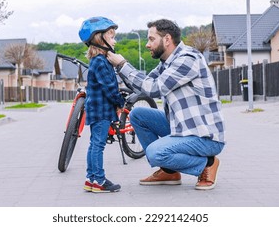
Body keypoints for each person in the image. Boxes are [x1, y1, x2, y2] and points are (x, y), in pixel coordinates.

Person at [107, 19, 225, 190]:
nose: (148, 45)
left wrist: (123, 64)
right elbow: (143, 83)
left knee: (155, 153)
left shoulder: (187, 59)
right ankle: (169, 171)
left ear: (167, 39)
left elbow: (154, 88)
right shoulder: (167, 63)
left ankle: (208, 163)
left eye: (151, 39)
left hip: (203, 136)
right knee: (138, 115)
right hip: (182, 127)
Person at [78, 16, 125, 193]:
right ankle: (98, 179)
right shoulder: (101, 62)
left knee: (94, 143)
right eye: (112, 36)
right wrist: (120, 103)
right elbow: (111, 88)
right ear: (100, 39)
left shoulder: (97, 61)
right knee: (98, 145)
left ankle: (91, 178)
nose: (115, 40)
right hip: (102, 110)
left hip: (95, 109)